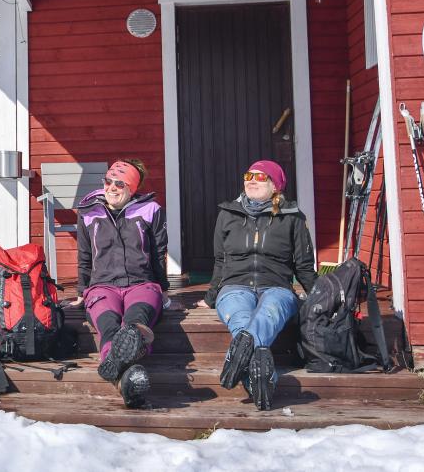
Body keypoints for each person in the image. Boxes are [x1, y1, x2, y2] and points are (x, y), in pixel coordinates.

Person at [195, 160, 317, 411]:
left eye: (261, 177)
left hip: (277, 286)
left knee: (270, 311)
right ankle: (262, 376)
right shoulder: (227, 214)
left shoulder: (293, 217)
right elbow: (220, 261)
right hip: (234, 285)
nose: (251, 180)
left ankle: (245, 352)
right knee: (239, 313)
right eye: (249, 174)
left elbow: (304, 264)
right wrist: (210, 297)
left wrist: (319, 294)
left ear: (276, 186)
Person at [66, 158, 172, 408]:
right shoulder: (89, 211)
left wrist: (163, 291)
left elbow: (158, 253)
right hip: (101, 286)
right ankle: (127, 377)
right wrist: (82, 291)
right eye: (108, 181)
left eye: (120, 184)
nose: (112, 187)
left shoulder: (150, 211)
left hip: (141, 284)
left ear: (132, 188)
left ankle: (119, 372)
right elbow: (84, 255)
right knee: (108, 324)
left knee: (135, 323)